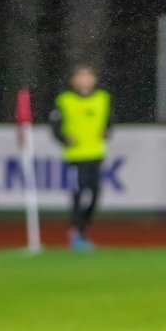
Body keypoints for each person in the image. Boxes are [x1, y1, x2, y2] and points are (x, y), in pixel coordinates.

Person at [50, 65, 112, 250]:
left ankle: (81, 228)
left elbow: (109, 123)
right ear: (74, 80)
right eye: (80, 76)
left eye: (88, 76)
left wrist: (107, 132)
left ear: (94, 79)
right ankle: (77, 234)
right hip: (75, 157)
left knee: (95, 194)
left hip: (96, 154)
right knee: (78, 194)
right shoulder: (64, 100)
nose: (85, 80)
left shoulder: (103, 99)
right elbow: (55, 127)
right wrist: (64, 138)